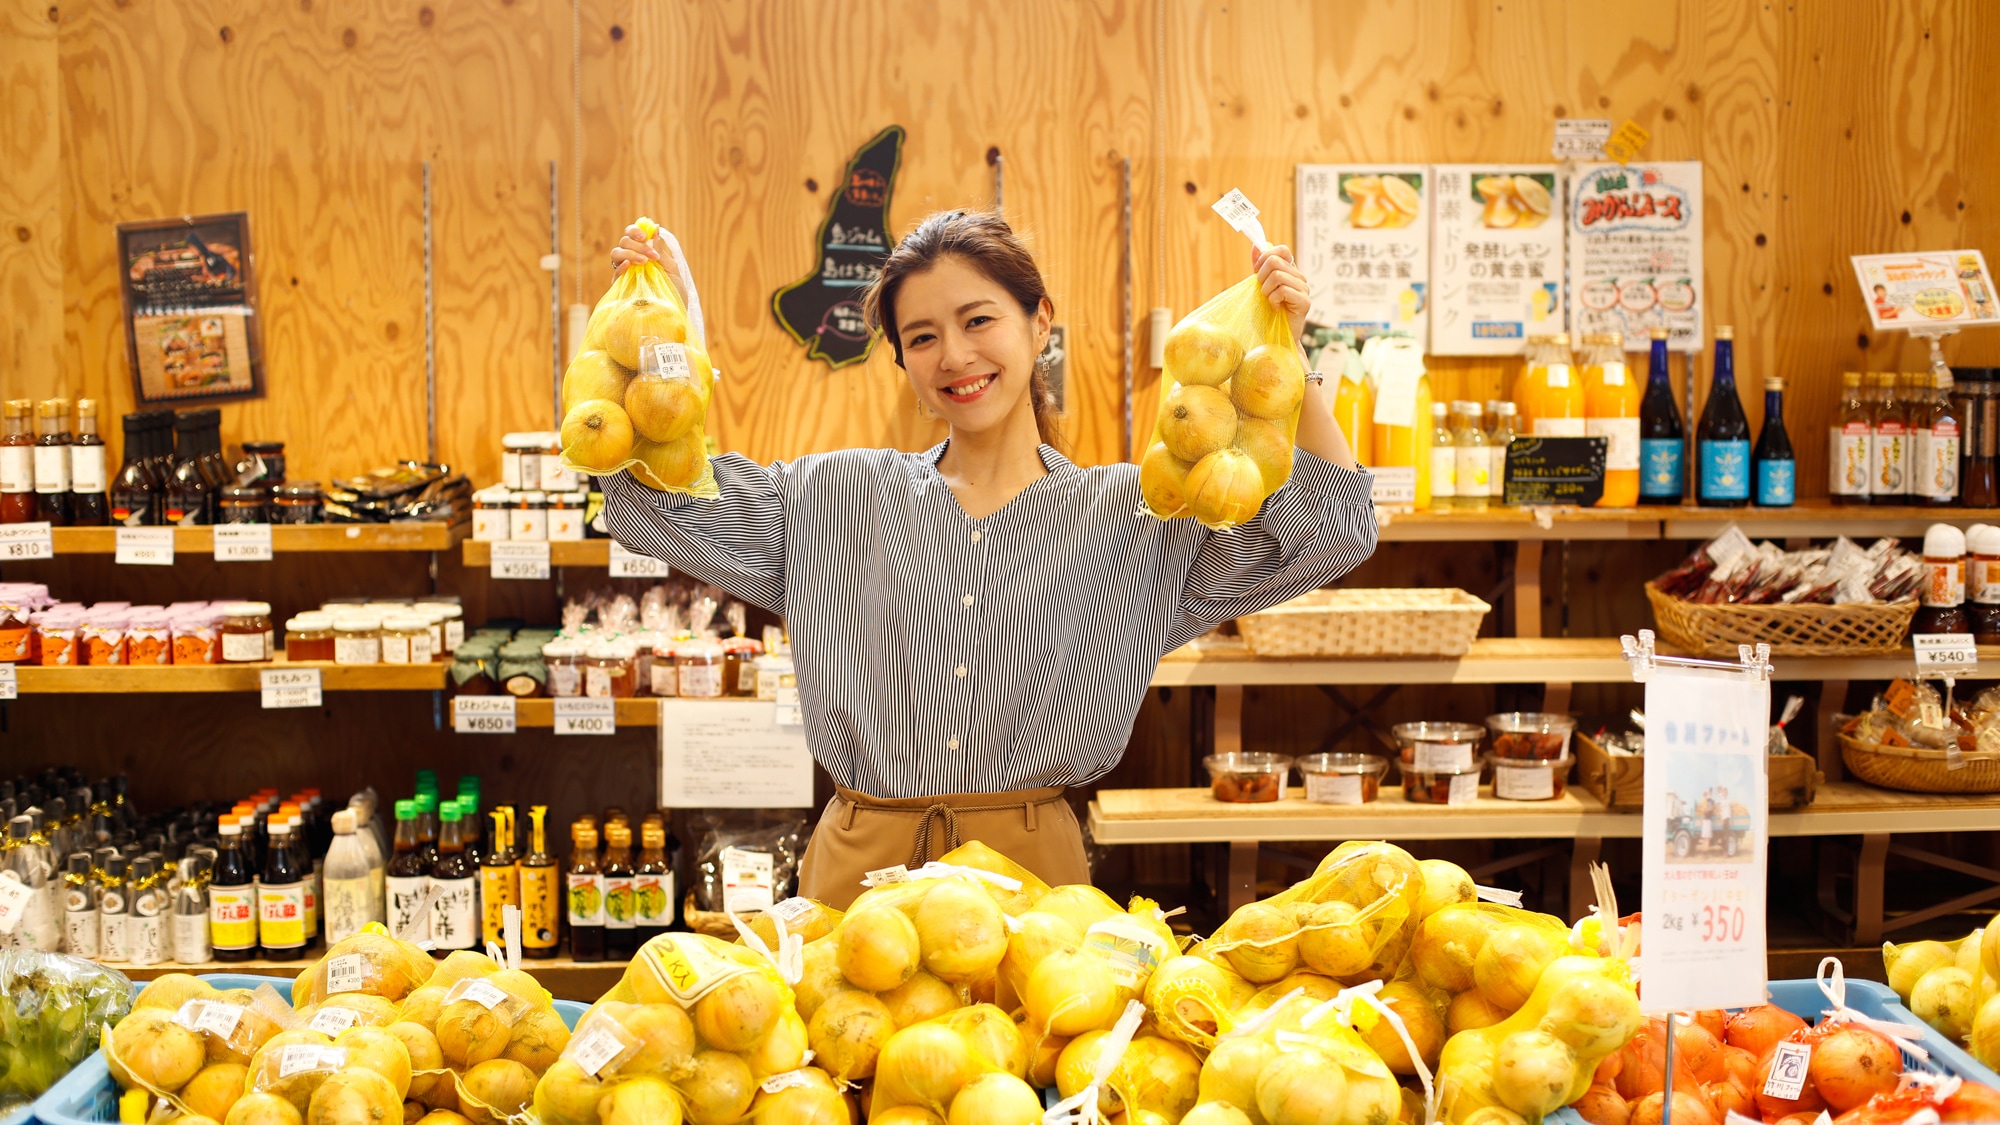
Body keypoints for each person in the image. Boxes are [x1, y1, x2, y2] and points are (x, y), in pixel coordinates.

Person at [605, 210, 1377, 908]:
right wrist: (660, 350)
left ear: (1040, 322)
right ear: (903, 359)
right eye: (923, 337)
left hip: (1033, 882)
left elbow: (1331, 531)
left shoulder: (1136, 517)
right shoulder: (831, 498)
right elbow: (656, 502)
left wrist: (1288, 353)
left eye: (979, 319)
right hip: (862, 884)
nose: (956, 355)